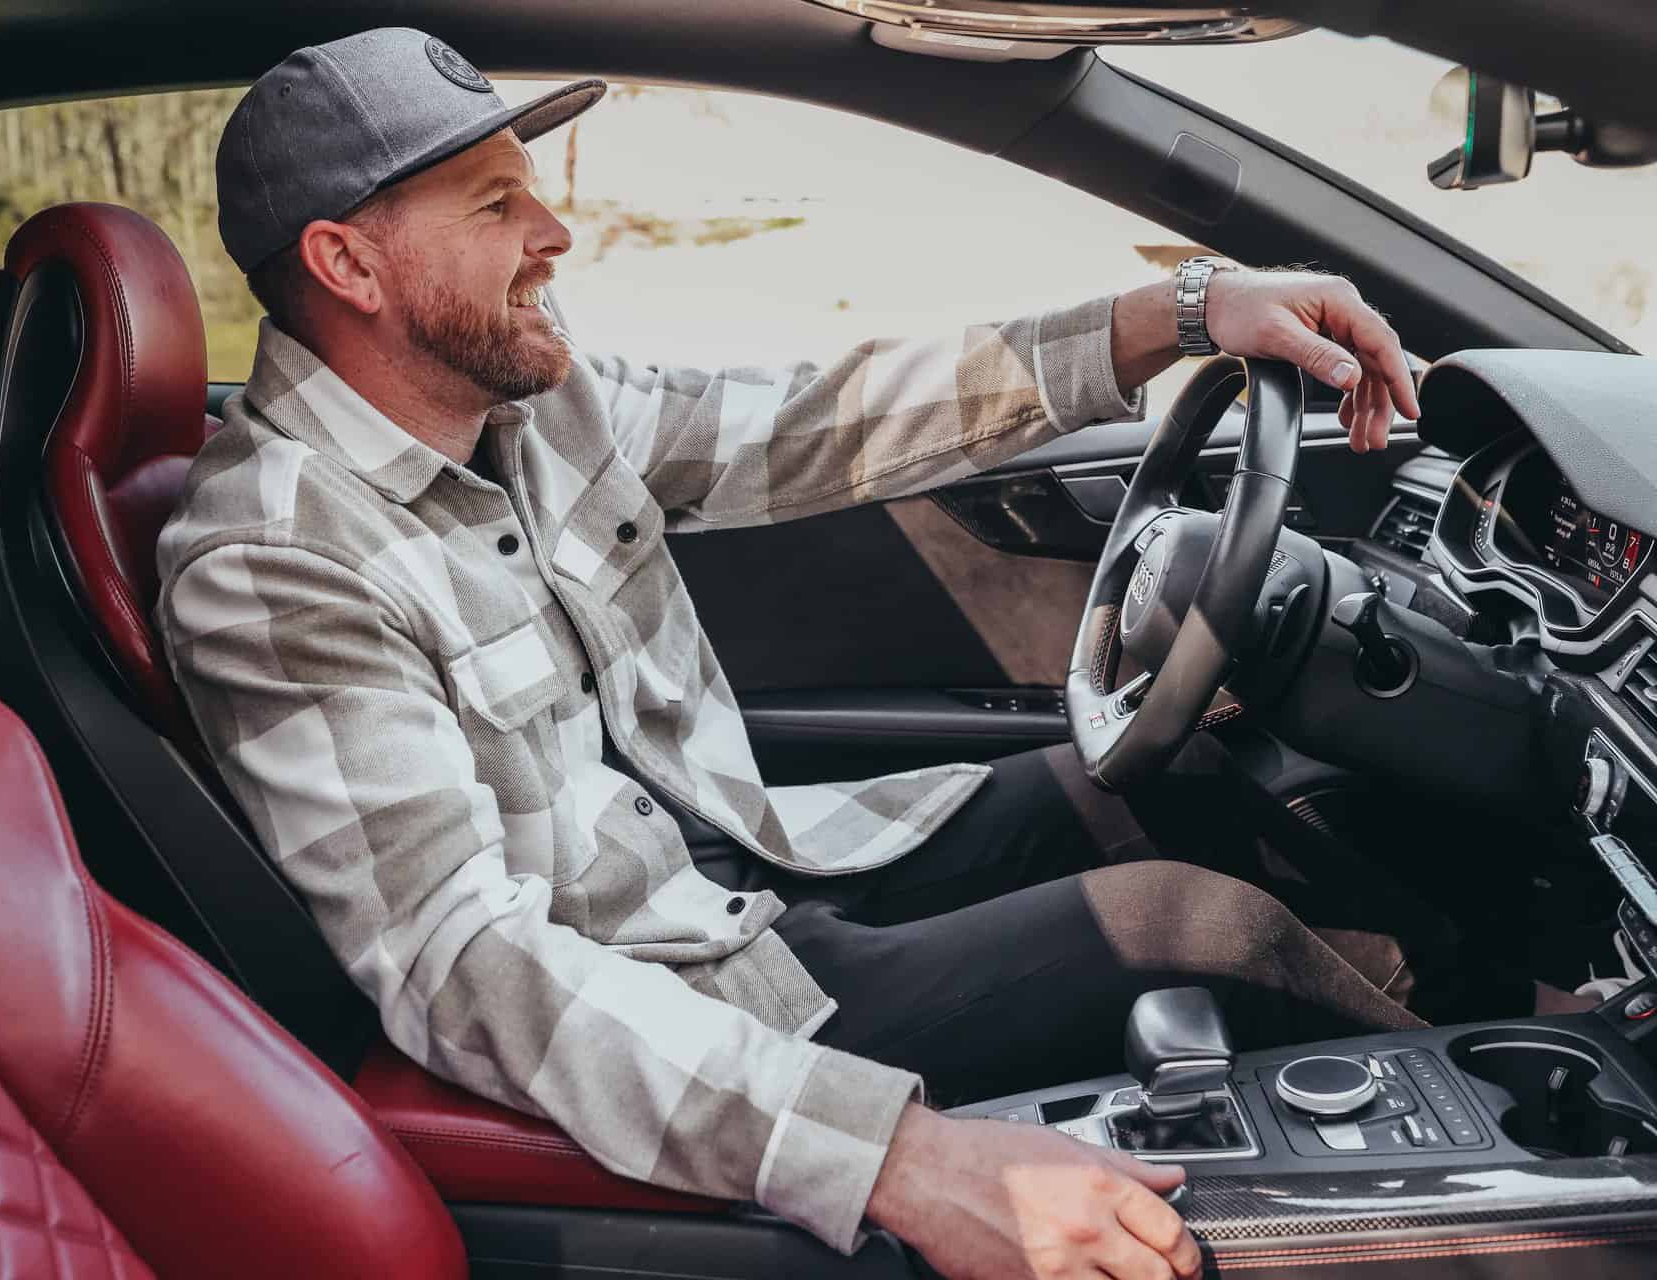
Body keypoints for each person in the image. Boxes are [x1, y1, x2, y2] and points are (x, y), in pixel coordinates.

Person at [155, 26, 1427, 1280]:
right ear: (347, 266)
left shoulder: (530, 405)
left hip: (765, 855)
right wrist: (901, 1158)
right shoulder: (273, 564)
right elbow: (465, 962)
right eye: (497, 206)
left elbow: (820, 421)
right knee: (1199, 928)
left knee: (1188, 772)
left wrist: (1186, 309)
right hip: (674, 988)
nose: (554, 235)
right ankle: (1538, 1146)